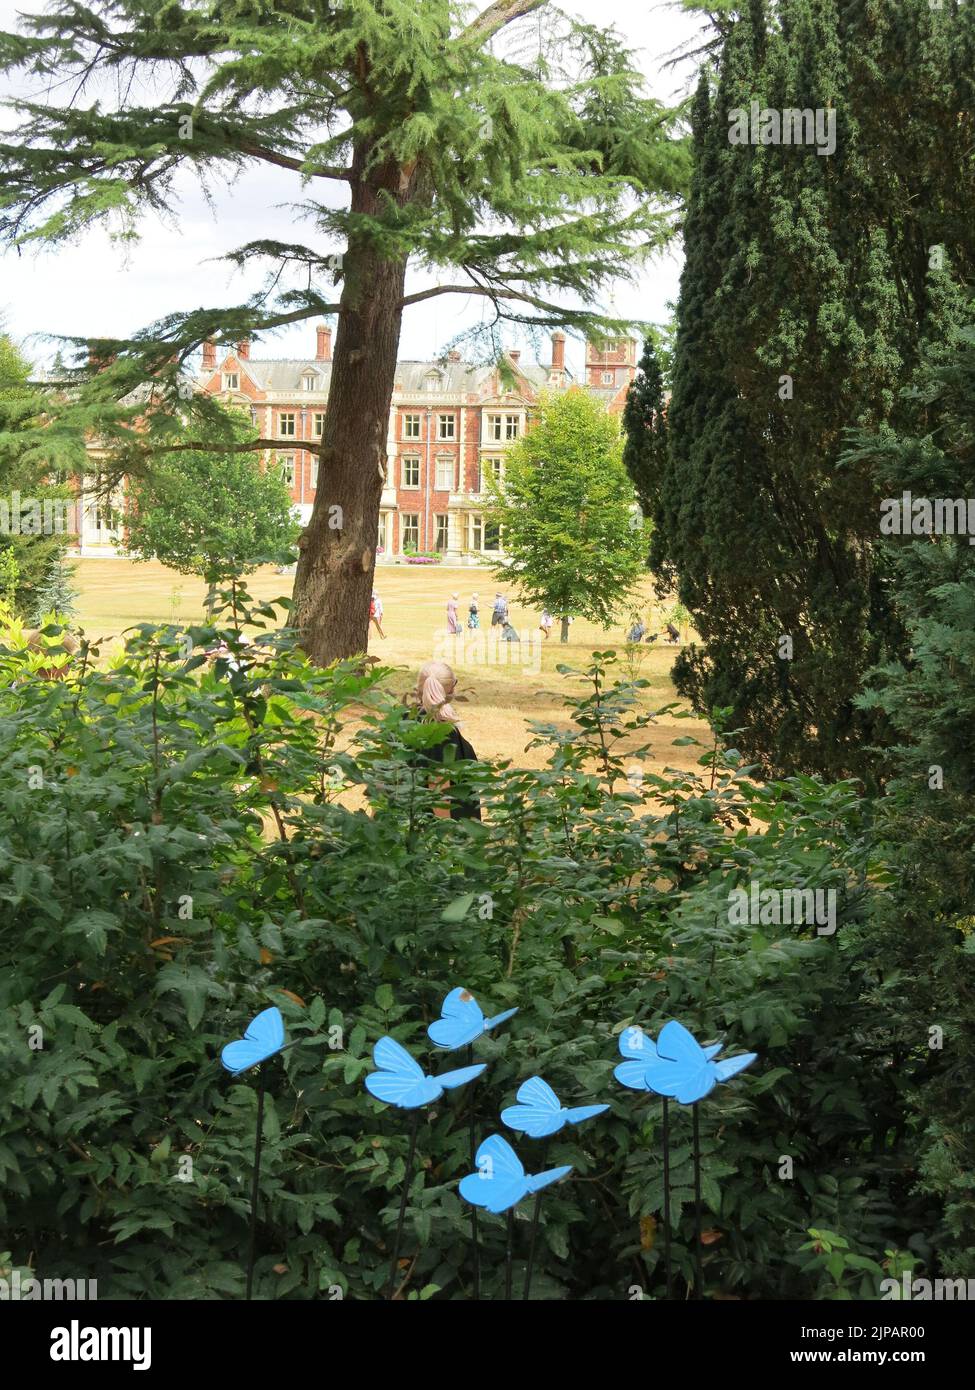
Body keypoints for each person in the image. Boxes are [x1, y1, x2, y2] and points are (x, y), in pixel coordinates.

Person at [414, 659, 481, 821]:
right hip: (438, 831)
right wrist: (446, 840)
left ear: (418, 689)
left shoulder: (401, 722)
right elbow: (438, 792)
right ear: (451, 689)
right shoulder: (442, 731)